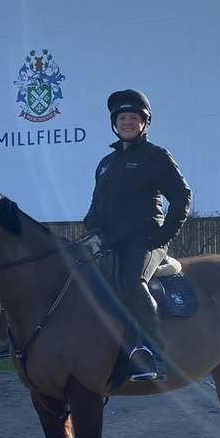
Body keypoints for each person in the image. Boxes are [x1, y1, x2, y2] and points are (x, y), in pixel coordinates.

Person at [83, 88, 192, 380]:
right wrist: (92, 227)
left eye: (133, 117)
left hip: (144, 240)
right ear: (114, 124)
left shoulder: (156, 156)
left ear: (145, 123)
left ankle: (155, 356)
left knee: (131, 281)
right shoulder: (105, 164)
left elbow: (182, 197)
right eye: (122, 118)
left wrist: (162, 237)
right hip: (110, 241)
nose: (127, 122)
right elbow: (95, 205)